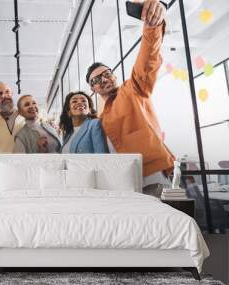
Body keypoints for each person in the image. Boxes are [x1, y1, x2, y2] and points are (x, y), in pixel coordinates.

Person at [86, 0, 173, 197]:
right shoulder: (98, 118)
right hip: (123, 186)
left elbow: (147, 61)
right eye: (97, 80)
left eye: (107, 73)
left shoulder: (132, 89)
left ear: (114, 75)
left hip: (151, 179)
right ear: (93, 89)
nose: (104, 80)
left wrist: (153, 25)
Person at [0, 81, 25, 153]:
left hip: (23, 163)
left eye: (7, 92)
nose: (4, 96)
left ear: (12, 93)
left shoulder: (24, 117)